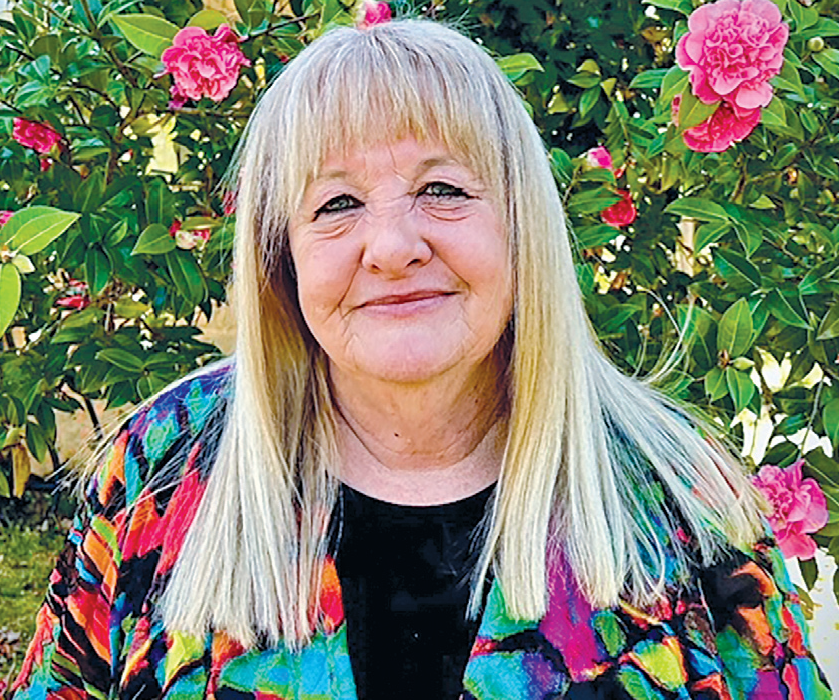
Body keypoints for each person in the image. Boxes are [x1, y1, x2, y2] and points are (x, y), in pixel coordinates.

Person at [11, 18, 831, 700]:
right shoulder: (165, 468)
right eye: (336, 204)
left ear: (520, 222)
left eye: (442, 190)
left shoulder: (683, 501)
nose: (394, 247)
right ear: (281, 259)